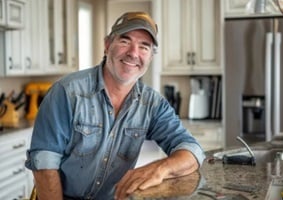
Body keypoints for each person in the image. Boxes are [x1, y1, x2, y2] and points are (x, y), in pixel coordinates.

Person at [25, 11, 206, 200]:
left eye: (144, 46)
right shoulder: (66, 92)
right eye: (125, 41)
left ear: (151, 57)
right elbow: (44, 165)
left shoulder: (153, 104)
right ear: (107, 45)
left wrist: (159, 168)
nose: (133, 53)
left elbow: (192, 151)